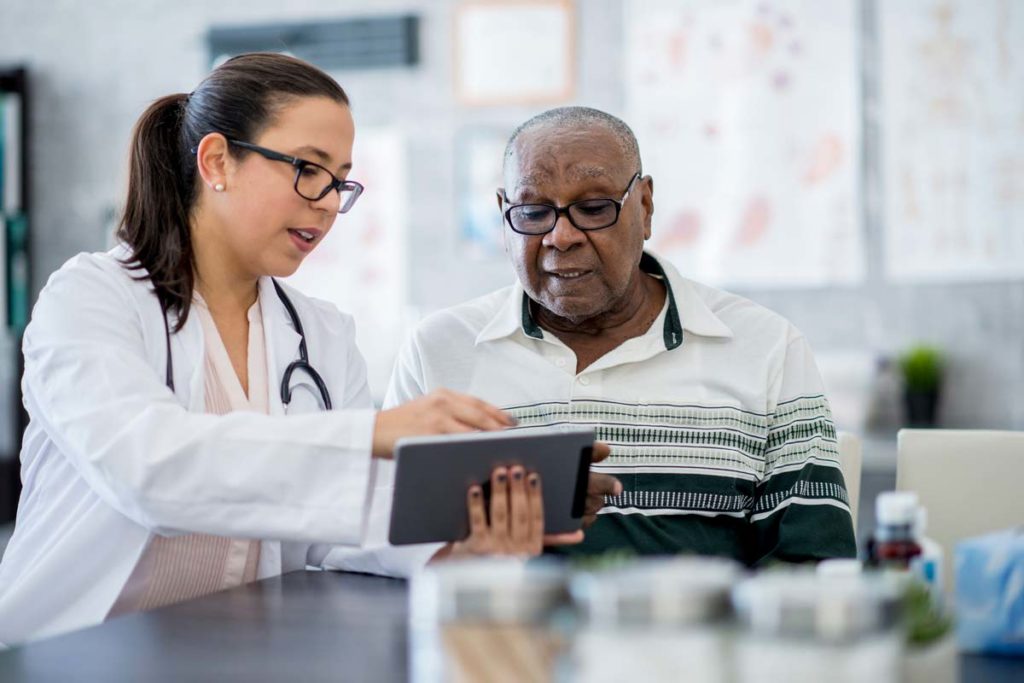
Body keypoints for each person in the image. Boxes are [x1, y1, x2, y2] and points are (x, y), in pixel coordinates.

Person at [0, 54, 589, 647]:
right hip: (72, 652)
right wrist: (372, 434)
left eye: (340, 181)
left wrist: (463, 536)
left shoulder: (321, 333)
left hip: (240, 654)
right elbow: (148, 470)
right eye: (308, 169)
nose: (329, 202)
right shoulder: (91, 298)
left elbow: (340, 527)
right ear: (216, 162)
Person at [326, 107, 855, 574]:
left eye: (595, 207)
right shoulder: (441, 349)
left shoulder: (763, 346)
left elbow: (814, 565)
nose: (561, 236)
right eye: (533, 213)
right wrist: (499, 516)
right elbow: (368, 538)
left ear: (644, 207)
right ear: (503, 215)